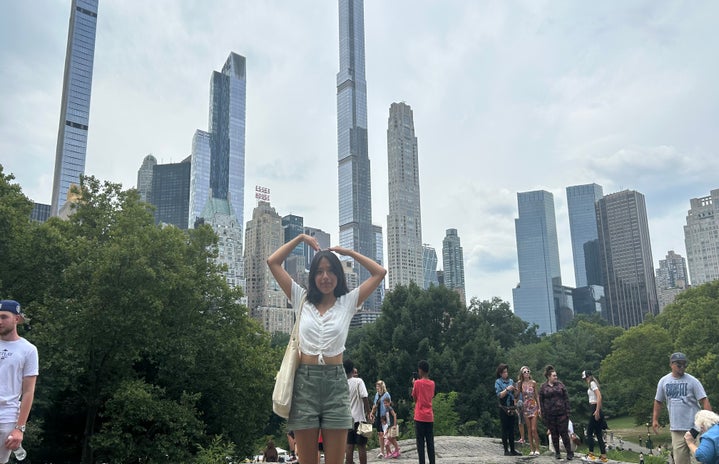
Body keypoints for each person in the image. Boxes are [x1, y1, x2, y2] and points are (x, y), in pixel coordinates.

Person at [267, 234, 386, 464]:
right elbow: (273, 262)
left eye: (331, 270)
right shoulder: (301, 297)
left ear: (338, 275)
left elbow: (379, 273)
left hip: (335, 385)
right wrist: (300, 238)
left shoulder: (348, 302)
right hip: (305, 384)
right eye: (320, 271)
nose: (325, 277)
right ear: (312, 276)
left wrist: (348, 254)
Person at [653, 352, 712, 464]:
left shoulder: (693, 381)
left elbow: (704, 400)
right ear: (671, 364)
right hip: (676, 429)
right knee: (680, 461)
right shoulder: (664, 381)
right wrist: (655, 420)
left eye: (684, 365)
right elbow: (658, 401)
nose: (682, 367)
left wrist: (707, 422)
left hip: (695, 428)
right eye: (679, 365)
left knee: (700, 459)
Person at [0, 300, 39, 464]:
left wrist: (19, 428)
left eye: (4, 317)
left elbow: (29, 391)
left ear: (16, 319)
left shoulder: (28, 350)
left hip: (6, 417)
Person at [539, 365, 573, 460]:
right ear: (549, 376)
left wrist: (568, 412)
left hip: (562, 414)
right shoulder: (543, 387)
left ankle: (569, 452)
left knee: (564, 434)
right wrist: (543, 413)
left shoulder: (561, 385)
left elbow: (566, 398)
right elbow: (541, 401)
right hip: (550, 415)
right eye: (554, 376)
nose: (556, 377)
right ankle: (557, 452)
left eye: (556, 375)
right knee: (554, 434)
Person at [344, 360, 370, 464]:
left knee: (349, 445)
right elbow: (364, 396)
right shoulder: (358, 381)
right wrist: (369, 412)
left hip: (347, 420)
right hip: (360, 418)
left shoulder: (342, 383)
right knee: (362, 446)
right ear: (352, 369)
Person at [495, 363, 521, 456]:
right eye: (504, 372)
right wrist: (507, 389)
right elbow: (499, 395)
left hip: (511, 407)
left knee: (511, 429)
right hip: (503, 408)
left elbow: (515, 396)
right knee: (504, 429)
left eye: (507, 371)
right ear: (501, 373)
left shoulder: (511, 381)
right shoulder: (498, 382)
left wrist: (517, 390)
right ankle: (506, 450)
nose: (506, 373)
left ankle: (513, 449)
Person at [413, 360, 435, 464]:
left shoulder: (417, 383)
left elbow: (415, 398)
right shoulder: (432, 383)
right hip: (429, 416)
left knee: (420, 443)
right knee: (430, 442)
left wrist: (414, 385)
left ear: (420, 370)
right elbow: (431, 396)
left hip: (419, 416)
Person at [582, 370, 607, 462]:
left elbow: (599, 396)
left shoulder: (592, 383)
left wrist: (596, 411)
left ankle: (591, 454)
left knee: (589, 432)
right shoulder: (593, 384)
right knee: (598, 433)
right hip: (597, 408)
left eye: (585, 378)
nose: (585, 380)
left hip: (594, 408)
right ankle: (603, 456)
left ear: (588, 376)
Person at [518, 366, 541, 456]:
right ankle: (531, 449)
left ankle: (537, 449)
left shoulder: (533, 383)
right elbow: (517, 395)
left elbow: (537, 395)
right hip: (525, 408)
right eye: (525, 372)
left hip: (533, 406)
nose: (527, 373)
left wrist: (539, 408)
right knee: (528, 429)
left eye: (528, 371)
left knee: (534, 429)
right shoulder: (521, 384)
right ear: (522, 374)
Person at [369, 380, 391, 458]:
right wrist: (372, 413)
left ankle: (389, 451)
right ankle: (382, 451)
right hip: (378, 415)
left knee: (385, 434)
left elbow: (389, 406)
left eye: (378, 386)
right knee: (380, 434)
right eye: (376, 386)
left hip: (384, 416)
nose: (377, 388)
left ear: (382, 387)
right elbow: (375, 405)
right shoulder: (377, 395)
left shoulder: (386, 395)